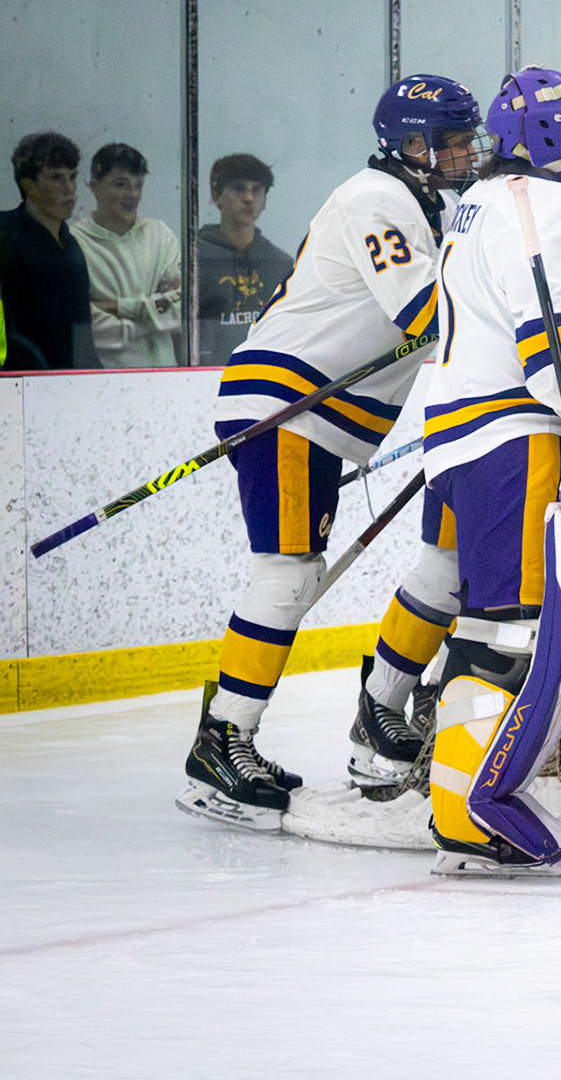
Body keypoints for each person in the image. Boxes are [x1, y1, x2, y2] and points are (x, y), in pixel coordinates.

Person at [177, 76, 484, 830]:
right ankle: (221, 745)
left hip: (312, 416)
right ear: (410, 146)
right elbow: (424, 311)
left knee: (294, 574)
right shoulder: (374, 200)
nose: (462, 153)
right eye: (448, 140)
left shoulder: (422, 204)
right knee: (285, 577)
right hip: (288, 405)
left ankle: (228, 736)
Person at [420, 66, 561, 873]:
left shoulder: (480, 203)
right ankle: (466, 815)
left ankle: (461, 803)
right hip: (518, 440)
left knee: (487, 625)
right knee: (509, 632)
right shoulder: (552, 206)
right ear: (548, 138)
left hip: (469, 437)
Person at [72, 143, 182, 367]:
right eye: (120, 184)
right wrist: (153, 317)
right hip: (104, 382)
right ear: (94, 186)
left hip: (168, 378)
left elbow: (182, 310)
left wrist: (116, 306)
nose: (132, 194)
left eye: (138, 185)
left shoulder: (160, 236)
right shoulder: (75, 242)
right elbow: (84, 324)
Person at [1, 131, 97, 370]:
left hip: (71, 384)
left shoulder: (71, 246)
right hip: (20, 386)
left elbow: (81, 333)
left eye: (72, 177)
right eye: (56, 178)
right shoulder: (5, 237)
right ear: (28, 185)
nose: (70, 190)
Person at [196, 153, 294, 365]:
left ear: (265, 200)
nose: (249, 198)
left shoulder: (281, 264)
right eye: (239, 188)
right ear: (216, 195)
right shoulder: (193, 260)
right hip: (204, 377)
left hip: (267, 374)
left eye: (256, 189)